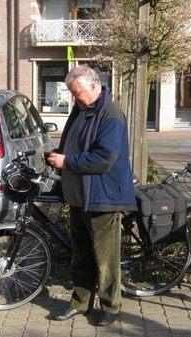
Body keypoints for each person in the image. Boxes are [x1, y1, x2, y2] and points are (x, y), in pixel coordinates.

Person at [45, 65, 137, 327]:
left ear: (94, 87)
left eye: (77, 92)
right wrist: (55, 156)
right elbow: (71, 148)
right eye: (72, 93)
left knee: (105, 260)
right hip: (78, 197)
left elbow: (104, 158)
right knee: (81, 254)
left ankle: (111, 307)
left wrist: (67, 161)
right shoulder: (80, 111)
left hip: (101, 198)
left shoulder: (111, 115)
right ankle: (80, 303)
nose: (74, 98)